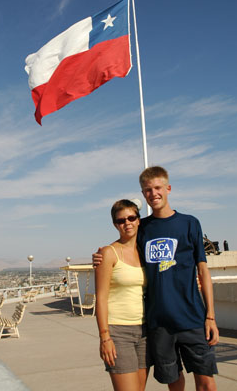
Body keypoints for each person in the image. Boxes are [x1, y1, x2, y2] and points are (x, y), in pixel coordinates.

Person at [93, 166, 219, 391]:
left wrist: (210, 316)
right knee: (174, 383)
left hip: (192, 318)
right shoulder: (143, 228)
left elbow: (203, 271)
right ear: (143, 194)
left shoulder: (190, 223)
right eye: (148, 190)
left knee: (207, 384)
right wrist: (101, 256)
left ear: (168, 188)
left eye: (158, 188)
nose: (154, 193)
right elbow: (124, 244)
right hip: (158, 324)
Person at [95, 199, 151, 391]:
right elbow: (100, 298)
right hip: (118, 333)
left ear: (138, 220)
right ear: (115, 224)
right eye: (121, 220)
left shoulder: (145, 252)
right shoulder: (108, 253)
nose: (127, 223)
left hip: (145, 332)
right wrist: (105, 337)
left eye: (131, 217)